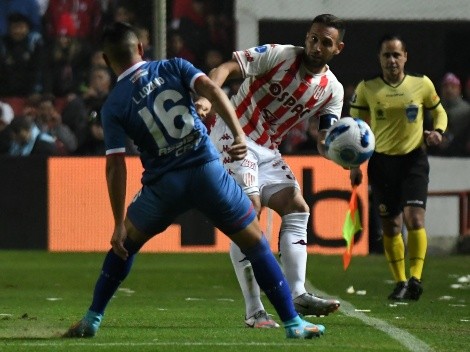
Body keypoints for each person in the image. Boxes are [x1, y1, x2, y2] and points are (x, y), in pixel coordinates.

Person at [63, 22, 323, 340]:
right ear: (141, 50)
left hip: (163, 187)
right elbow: (213, 90)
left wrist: (118, 222)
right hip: (207, 173)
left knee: (123, 246)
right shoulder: (175, 65)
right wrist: (238, 134)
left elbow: (116, 166)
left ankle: (92, 318)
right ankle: (293, 324)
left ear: (106, 60)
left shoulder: (114, 103)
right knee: (256, 243)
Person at [195, 14, 344, 328]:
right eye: (313, 38)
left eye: (325, 43)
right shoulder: (279, 55)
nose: (316, 46)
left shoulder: (332, 90)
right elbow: (224, 68)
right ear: (307, 36)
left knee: (297, 207)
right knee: (250, 213)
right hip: (233, 134)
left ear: (338, 49)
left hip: (268, 148)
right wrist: (206, 98)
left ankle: (299, 294)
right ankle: (254, 310)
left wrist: (343, 154)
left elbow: (323, 141)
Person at [348, 34, 448, 301]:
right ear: (379, 58)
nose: (392, 60)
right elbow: (354, 129)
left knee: (415, 219)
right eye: (386, 55)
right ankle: (400, 281)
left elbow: (439, 112)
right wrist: (355, 165)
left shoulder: (421, 84)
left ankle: (415, 277)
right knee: (391, 227)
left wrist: (438, 131)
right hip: (381, 162)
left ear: (405, 57)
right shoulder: (367, 88)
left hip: (413, 160)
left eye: (396, 55)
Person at [434, 72, 470, 157]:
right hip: (436, 154)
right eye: (445, 86)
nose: (449, 90)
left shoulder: (467, 110)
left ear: (459, 89)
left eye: (453, 87)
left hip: (461, 154)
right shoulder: (432, 109)